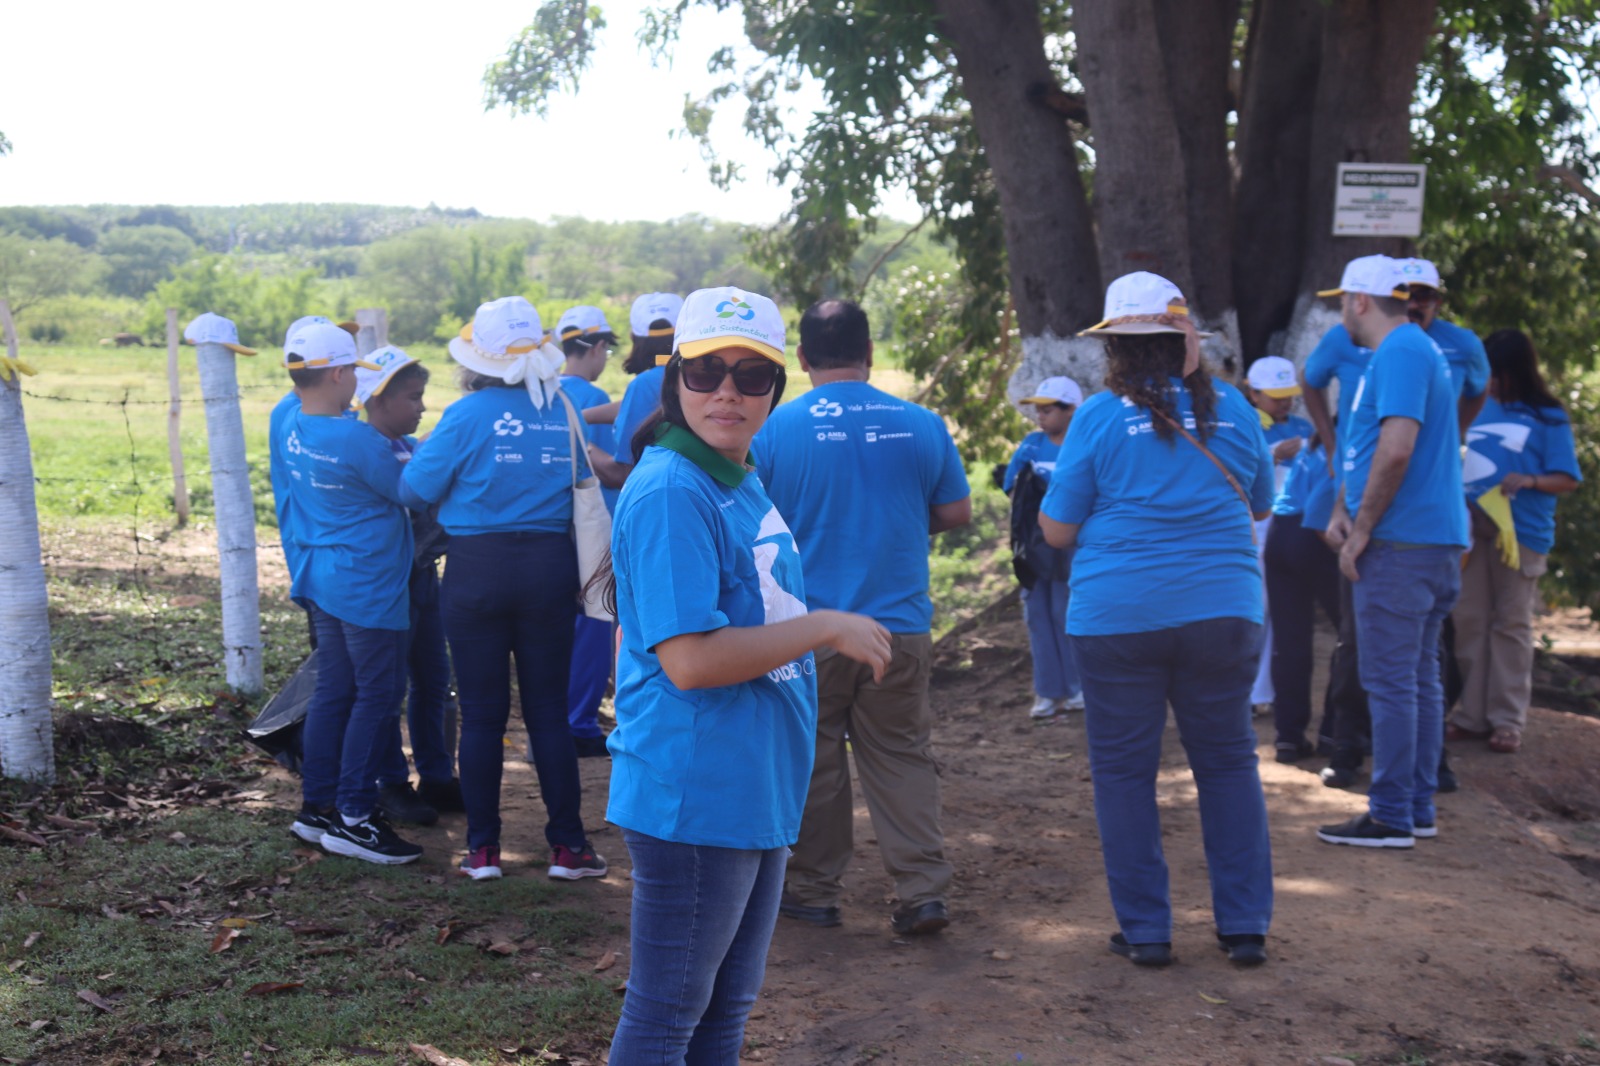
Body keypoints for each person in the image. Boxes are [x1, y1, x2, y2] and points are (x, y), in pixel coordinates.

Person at [604, 286, 891, 1063]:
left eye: (751, 374)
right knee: (668, 1019)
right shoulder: (673, 489)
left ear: (775, 387)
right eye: (706, 371)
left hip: (752, 783)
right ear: (676, 378)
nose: (727, 391)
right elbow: (691, 661)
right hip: (697, 790)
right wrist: (827, 626)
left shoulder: (735, 472)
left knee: (723, 1014)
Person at [1037, 271, 1275, 968]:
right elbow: (1261, 504)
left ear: (1113, 347)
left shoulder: (1097, 417)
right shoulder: (1236, 410)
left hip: (1118, 616)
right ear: (1183, 343)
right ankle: (1244, 926)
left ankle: (1146, 931)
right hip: (1224, 610)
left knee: (1123, 773)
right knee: (1228, 763)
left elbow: (1056, 530)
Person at [752, 297, 972, 936]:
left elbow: (750, 523)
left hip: (806, 632)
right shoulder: (921, 423)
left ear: (801, 357)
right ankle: (923, 891)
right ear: (870, 352)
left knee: (815, 759)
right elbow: (956, 512)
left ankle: (813, 890)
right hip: (900, 627)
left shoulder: (775, 430)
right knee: (902, 754)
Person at [399, 296, 605, 882]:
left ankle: (483, 851)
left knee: (484, 715)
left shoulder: (465, 414)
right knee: (548, 714)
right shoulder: (562, 407)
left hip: (475, 570)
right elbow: (580, 481)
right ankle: (568, 848)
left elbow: (414, 490)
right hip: (548, 568)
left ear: (477, 358)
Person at [1317, 255, 1468, 849]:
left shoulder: (1401, 350)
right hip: (1425, 540)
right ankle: (1414, 806)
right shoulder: (1410, 348)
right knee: (1417, 678)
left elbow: (1398, 447)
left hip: (1401, 545)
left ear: (1360, 301)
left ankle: (1391, 815)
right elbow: (1369, 447)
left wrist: (1362, 529)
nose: (1341, 312)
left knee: (1392, 682)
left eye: (1342, 301)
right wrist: (1342, 505)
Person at [278, 322, 423, 865]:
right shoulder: (356, 439)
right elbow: (412, 491)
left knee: (335, 692)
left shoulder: (293, 422)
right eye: (354, 373)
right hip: (367, 585)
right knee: (378, 696)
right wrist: (430, 451)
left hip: (323, 577)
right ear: (339, 374)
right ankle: (356, 818)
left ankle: (317, 808)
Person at [1449, 329, 1581, 754]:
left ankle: (1506, 720)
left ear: (1516, 371)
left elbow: (1567, 478)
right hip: (1471, 531)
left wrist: (1530, 481)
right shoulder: (1472, 406)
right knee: (1469, 619)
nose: (1490, 381)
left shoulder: (1548, 416)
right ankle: (1471, 715)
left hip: (1521, 533)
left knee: (1510, 623)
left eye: (1496, 373)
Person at [353, 346, 463, 819]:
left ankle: (436, 776)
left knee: (433, 678)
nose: (422, 406)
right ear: (378, 399)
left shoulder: (411, 447)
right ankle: (391, 782)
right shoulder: (366, 450)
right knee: (388, 687)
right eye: (413, 397)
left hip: (421, 578)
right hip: (388, 584)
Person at [556, 305, 622, 760]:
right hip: (593, 528)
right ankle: (579, 721)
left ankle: (563, 715)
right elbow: (613, 470)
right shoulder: (593, 395)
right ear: (597, 348)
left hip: (551, 527)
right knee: (595, 624)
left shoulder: (545, 391)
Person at [1004, 376, 1085, 719]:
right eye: (1038, 410)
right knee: (1038, 615)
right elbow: (1011, 486)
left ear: (1071, 411)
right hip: (1035, 548)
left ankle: (1078, 688)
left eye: (1048, 410)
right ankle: (1049, 692)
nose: (1040, 416)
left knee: (1066, 613)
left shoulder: (1083, 445)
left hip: (1073, 545)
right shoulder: (1032, 445)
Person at [1243, 355, 1314, 717]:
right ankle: (1243, 688)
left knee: (1285, 610)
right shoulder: (1245, 424)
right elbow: (1236, 470)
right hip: (1257, 524)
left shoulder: (1303, 426)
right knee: (1256, 606)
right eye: (1276, 397)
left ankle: (1264, 692)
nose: (1285, 403)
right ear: (1254, 394)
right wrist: (1272, 454)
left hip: (1295, 525)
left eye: (1289, 395)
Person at [1264, 430, 1341, 762]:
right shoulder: (1345, 446)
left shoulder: (1314, 443)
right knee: (1352, 636)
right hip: (1313, 535)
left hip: (1280, 534)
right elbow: (1319, 512)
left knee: (1289, 641)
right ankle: (1334, 733)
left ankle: (1289, 737)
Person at [586, 292, 684, 489]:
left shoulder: (645, 384)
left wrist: (580, 441)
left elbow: (622, 474)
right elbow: (646, 408)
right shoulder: (694, 376)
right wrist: (579, 415)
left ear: (634, 338)